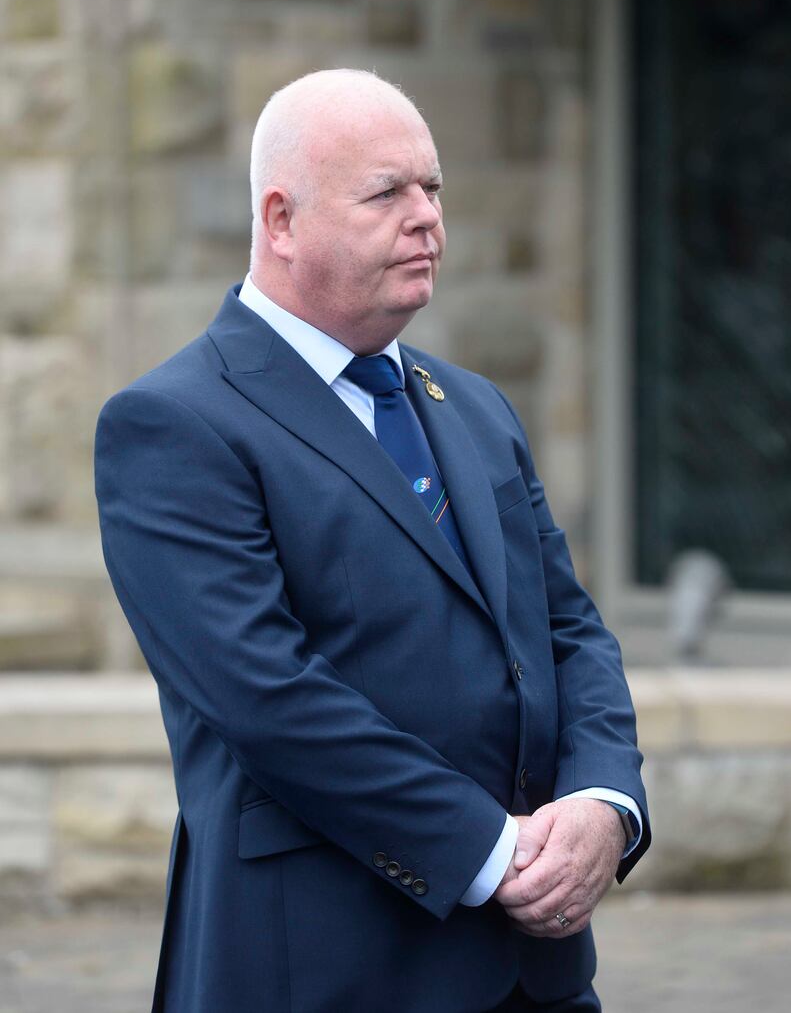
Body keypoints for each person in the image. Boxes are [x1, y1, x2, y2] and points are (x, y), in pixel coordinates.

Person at [94, 68, 650, 1013]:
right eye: (387, 192)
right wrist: (491, 851)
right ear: (281, 220)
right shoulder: (172, 424)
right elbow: (269, 698)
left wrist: (606, 804)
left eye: (433, 187)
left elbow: (568, 633)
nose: (427, 216)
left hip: (537, 976)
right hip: (324, 970)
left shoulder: (475, 408)